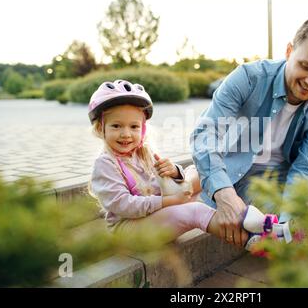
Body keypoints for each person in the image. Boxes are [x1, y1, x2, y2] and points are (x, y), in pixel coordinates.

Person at [191, 17, 308, 248]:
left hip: (294, 177)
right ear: (290, 51)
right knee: (297, 232)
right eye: (306, 66)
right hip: (247, 179)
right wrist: (224, 194)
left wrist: (294, 212)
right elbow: (204, 134)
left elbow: (306, 167)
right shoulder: (249, 78)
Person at [88, 79, 223, 240]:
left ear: (143, 129)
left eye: (134, 126)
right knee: (195, 211)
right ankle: (246, 235)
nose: (126, 134)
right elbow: (125, 205)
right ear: (100, 128)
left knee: (198, 171)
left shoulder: (144, 153)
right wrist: (170, 201)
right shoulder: (105, 163)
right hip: (129, 229)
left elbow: (166, 184)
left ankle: (240, 215)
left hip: (155, 214)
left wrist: (173, 172)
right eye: (116, 126)